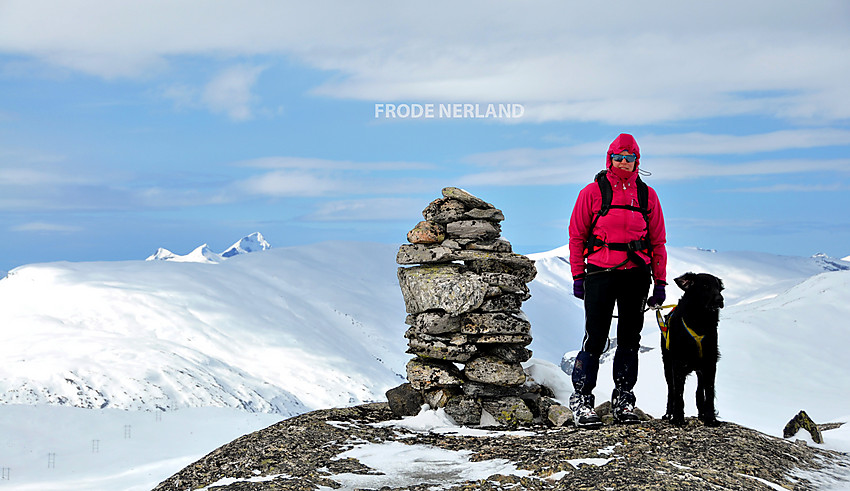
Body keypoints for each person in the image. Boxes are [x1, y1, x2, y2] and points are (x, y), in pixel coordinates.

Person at [567, 133, 667, 427]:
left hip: (636, 275)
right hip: (599, 272)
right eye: (618, 158)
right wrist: (577, 275)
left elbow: (658, 241)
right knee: (595, 337)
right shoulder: (592, 192)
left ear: (638, 161)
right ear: (609, 159)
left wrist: (660, 283)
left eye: (629, 158)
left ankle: (624, 400)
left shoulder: (647, 195)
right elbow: (577, 236)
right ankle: (582, 400)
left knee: (629, 340)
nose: (623, 163)